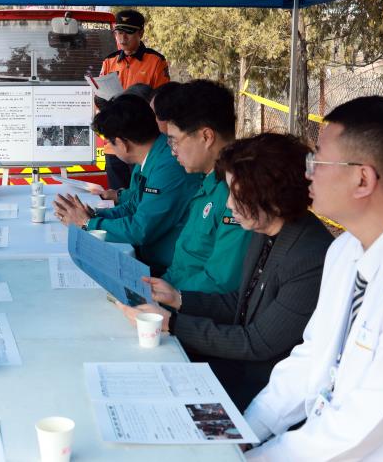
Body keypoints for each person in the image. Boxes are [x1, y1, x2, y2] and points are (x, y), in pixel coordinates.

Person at [244, 97, 383, 460]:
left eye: (316, 161)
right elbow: (312, 358)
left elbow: (355, 430)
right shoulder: (346, 250)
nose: (308, 173)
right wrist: (243, 433)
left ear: (362, 178)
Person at [117, 133, 333, 410]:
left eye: (238, 194)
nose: (229, 204)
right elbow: (241, 302)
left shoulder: (309, 256)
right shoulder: (264, 228)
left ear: (273, 194)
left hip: (263, 389)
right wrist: (178, 298)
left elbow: (257, 342)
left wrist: (172, 323)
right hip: (236, 364)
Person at [53, 94, 200, 276]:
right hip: (154, 257)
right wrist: (95, 215)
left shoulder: (167, 165)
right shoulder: (152, 156)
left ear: (123, 144)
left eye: (109, 142)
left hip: (169, 270)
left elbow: (141, 229)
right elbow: (133, 206)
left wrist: (87, 223)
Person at [150, 80, 252, 294]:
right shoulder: (208, 181)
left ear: (206, 137)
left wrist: (162, 295)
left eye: (174, 141)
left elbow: (220, 283)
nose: (172, 151)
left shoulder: (240, 192)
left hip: (192, 311)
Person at [100, 9, 170, 191]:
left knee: (140, 195)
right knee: (117, 196)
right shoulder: (109, 62)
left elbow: (162, 102)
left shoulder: (155, 62)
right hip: (115, 145)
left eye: (128, 33)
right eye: (118, 32)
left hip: (142, 144)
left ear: (141, 33)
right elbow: (99, 99)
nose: (122, 38)